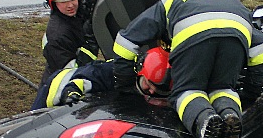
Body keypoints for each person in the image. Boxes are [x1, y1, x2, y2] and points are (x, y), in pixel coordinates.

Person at [112, 0, 263, 138]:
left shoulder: (168, 2)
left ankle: (205, 121)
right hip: (236, 34)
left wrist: (125, 86)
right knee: (223, 88)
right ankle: (230, 116)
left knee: (186, 92)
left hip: (193, 31)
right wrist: (250, 93)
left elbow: (125, 42)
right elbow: (261, 52)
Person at [32, 47, 173, 110]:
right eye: (148, 85)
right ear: (139, 71)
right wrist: (72, 90)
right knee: (34, 126)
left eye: (158, 91)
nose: (151, 92)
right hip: (57, 87)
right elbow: (89, 77)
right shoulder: (118, 71)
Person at [36, 0, 98, 96]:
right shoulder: (56, 36)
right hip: (60, 87)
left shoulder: (80, 11)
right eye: (63, 2)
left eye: (73, 0)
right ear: (52, 3)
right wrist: (90, 46)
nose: (70, 5)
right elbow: (73, 73)